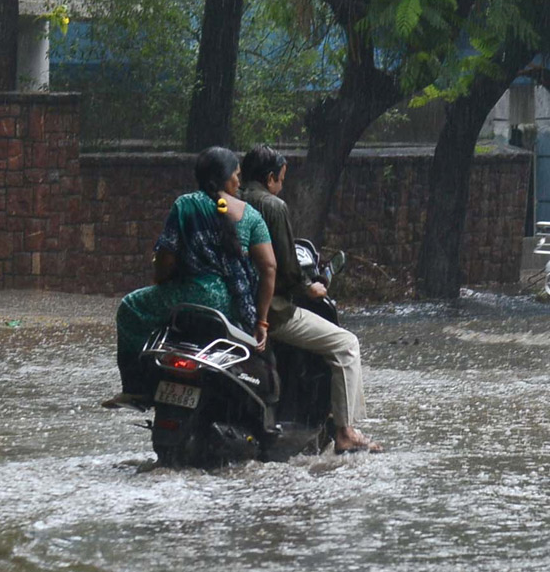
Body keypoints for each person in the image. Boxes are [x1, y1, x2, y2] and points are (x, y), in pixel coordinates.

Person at [239, 144, 382, 454]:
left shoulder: (228, 202)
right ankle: (345, 431)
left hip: (231, 309)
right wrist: (310, 288)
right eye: (282, 178)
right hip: (270, 311)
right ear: (270, 178)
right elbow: (285, 268)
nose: (282, 184)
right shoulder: (271, 206)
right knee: (346, 344)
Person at [108, 147, 276, 403]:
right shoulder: (251, 215)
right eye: (237, 175)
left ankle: (135, 387)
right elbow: (269, 268)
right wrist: (261, 321)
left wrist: (161, 281)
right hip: (234, 304)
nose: (239, 181)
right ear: (225, 177)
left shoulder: (186, 205)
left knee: (130, 308)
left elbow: (166, 256)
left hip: (191, 296)